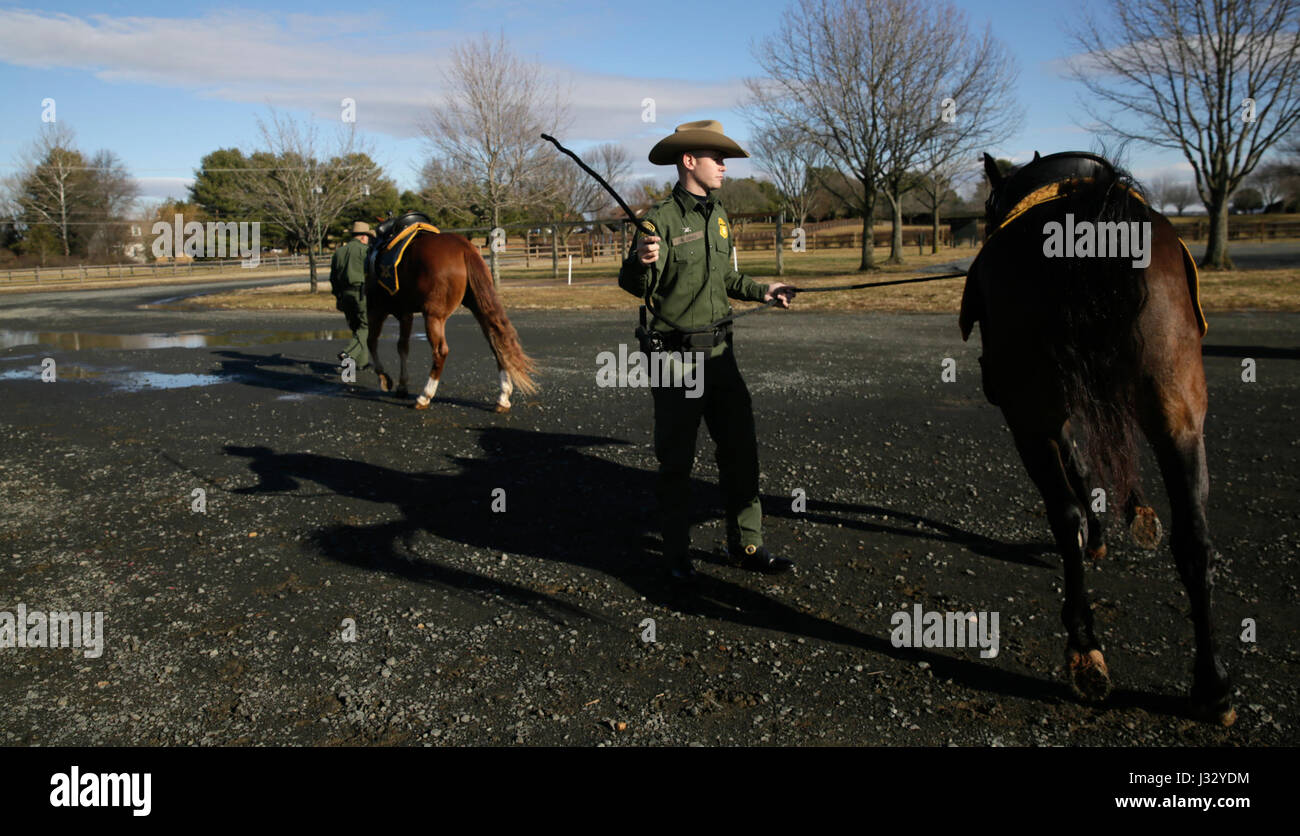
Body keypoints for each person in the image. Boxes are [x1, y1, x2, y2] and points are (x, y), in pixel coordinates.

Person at [617, 120, 795, 582]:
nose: (724, 166)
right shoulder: (659, 222)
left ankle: (747, 544)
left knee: (741, 451)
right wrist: (639, 262)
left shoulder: (718, 215)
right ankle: (676, 555)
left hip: (721, 355)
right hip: (676, 360)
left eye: (726, 159)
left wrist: (764, 290)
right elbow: (635, 286)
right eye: (717, 158)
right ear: (689, 161)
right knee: (677, 461)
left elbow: (726, 279)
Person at [329, 221, 373, 370]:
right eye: (368, 236)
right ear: (363, 237)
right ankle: (348, 354)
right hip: (361, 293)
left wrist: (338, 296)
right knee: (366, 327)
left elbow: (333, 278)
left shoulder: (339, 252)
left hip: (344, 293)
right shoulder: (366, 251)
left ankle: (361, 363)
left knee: (356, 328)